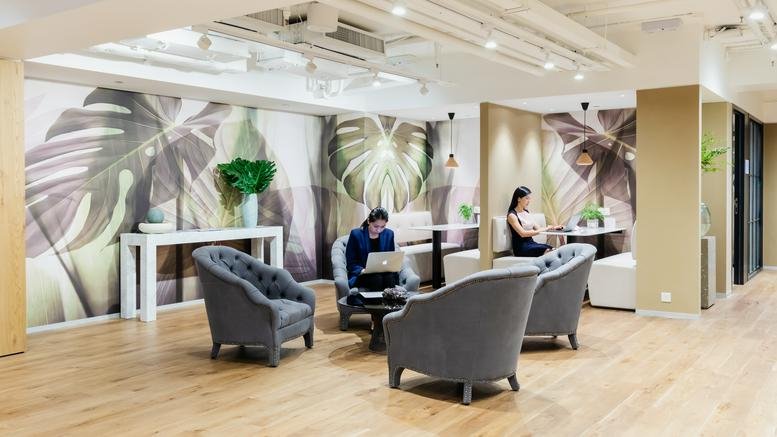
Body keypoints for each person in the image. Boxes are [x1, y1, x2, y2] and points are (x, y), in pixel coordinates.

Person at [345, 206, 400, 305]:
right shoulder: (356, 234)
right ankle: (376, 312)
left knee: (390, 277)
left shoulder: (389, 234)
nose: (379, 230)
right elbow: (351, 263)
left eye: (382, 227)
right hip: (362, 275)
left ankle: (392, 312)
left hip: (384, 273)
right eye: (376, 226)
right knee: (376, 278)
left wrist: (391, 266)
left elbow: (390, 257)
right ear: (369, 221)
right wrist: (362, 270)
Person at [506, 186, 562, 257]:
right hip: (521, 248)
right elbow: (523, 234)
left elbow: (538, 228)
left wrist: (553, 227)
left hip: (531, 243)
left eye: (529, 198)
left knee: (553, 249)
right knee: (550, 251)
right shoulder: (512, 215)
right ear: (519, 199)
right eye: (526, 198)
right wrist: (544, 229)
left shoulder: (526, 212)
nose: (529, 201)